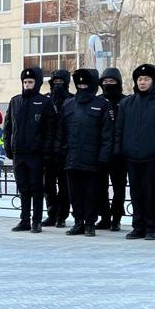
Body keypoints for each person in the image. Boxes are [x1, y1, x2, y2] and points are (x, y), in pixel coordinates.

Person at [115, 64, 155, 240]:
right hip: (131, 156)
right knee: (135, 192)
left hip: (152, 157)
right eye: (140, 79)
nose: (142, 82)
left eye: (146, 79)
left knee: (151, 193)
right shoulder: (127, 103)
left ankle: (151, 227)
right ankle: (137, 226)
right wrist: (118, 150)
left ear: (153, 81)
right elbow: (119, 129)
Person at [56, 68, 112, 236]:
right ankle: (78, 222)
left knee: (91, 193)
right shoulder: (68, 104)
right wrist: (58, 151)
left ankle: (90, 223)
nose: (82, 86)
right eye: (79, 84)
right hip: (72, 157)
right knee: (74, 193)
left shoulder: (102, 104)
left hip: (93, 158)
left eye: (85, 84)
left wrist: (104, 156)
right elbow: (61, 131)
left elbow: (107, 134)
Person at [4, 66, 54, 233]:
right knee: (23, 187)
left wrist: (46, 151)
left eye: (30, 82)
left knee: (36, 188)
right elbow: (8, 127)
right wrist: (8, 147)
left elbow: (49, 130)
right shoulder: (15, 101)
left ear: (37, 83)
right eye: (25, 82)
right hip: (19, 153)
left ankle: (36, 221)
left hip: (36, 154)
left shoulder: (45, 102)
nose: (27, 85)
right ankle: (24, 220)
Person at [96, 68, 127, 231]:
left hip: (120, 154)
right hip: (101, 152)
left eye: (112, 81)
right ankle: (105, 217)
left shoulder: (126, 101)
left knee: (119, 188)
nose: (108, 85)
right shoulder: (98, 101)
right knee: (101, 187)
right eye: (105, 82)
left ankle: (117, 218)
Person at [41, 69, 71, 228]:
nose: (58, 85)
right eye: (55, 82)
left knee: (65, 187)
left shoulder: (71, 100)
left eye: (61, 82)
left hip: (65, 151)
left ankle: (62, 216)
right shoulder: (46, 100)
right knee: (48, 186)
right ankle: (52, 214)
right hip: (48, 151)